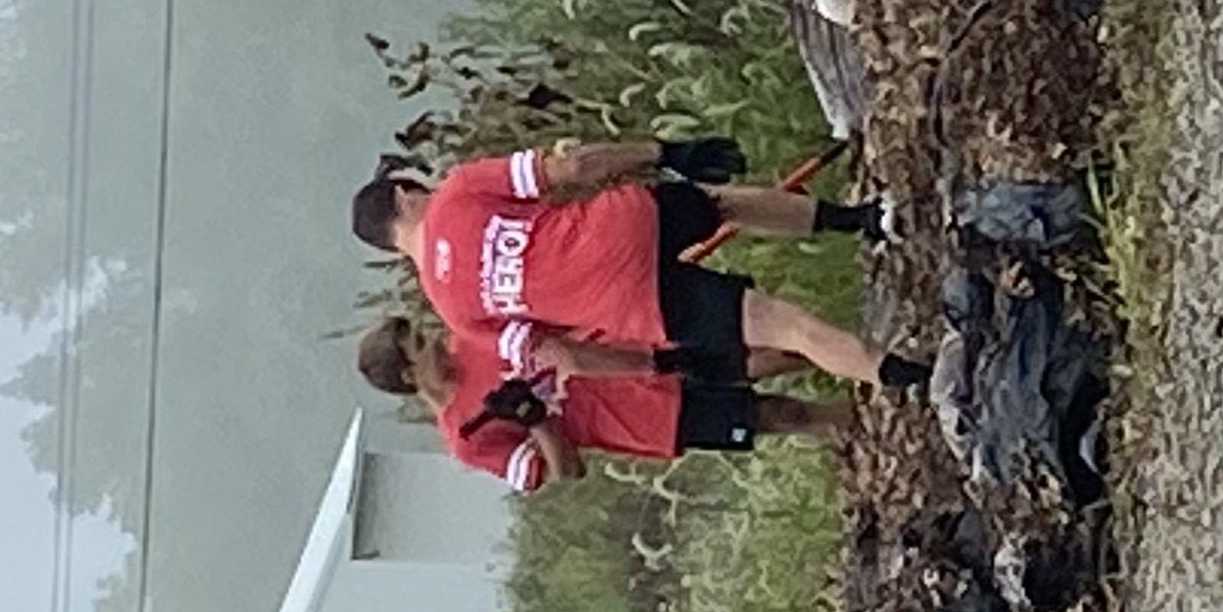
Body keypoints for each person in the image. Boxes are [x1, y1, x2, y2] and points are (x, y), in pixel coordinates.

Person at [348, 138, 919, 399]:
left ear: (390, 247)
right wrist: (665, 153)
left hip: (638, 306)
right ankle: (865, 219)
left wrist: (653, 362)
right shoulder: (458, 190)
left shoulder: (457, 315)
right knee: (721, 202)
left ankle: (917, 378)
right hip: (624, 224)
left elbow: (565, 356)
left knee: (787, 326)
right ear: (404, 195)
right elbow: (568, 167)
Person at [352, 311, 850, 488]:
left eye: (425, 332)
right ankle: (851, 419)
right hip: (640, 418)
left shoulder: (469, 337)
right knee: (769, 414)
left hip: (636, 352)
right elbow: (566, 472)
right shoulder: (465, 438)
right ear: (407, 375)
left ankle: (856, 361)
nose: (436, 340)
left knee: (757, 353)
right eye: (421, 346)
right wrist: (536, 419)